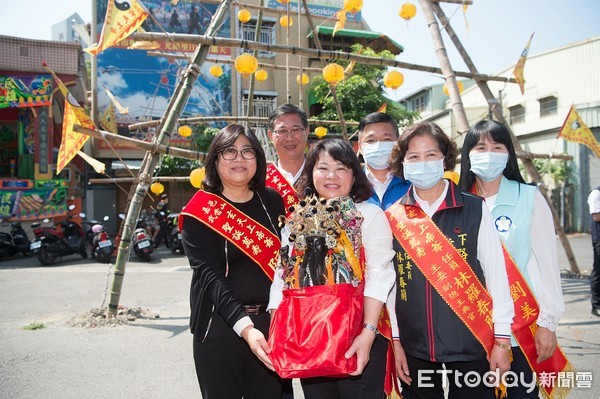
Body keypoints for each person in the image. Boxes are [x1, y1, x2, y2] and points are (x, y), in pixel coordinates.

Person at [387, 121, 514, 398]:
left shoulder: (474, 208)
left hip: (471, 340)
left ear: (444, 158)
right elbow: (392, 287)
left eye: (431, 155)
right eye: (414, 157)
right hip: (414, 346)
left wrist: (502, 341)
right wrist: (396, 340)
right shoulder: (393, 216)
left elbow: (496, 275)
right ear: (402, 163)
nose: (423, 163)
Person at [268, 139, 396, 399]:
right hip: (311, 335)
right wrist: (276, 331)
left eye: (341, 168)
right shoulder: (297, 219)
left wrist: (368, 333)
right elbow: (282, 277)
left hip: (357, 334)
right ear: (311, 172)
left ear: (354, 174)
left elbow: (378, 275)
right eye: (323, 168)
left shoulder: (369, 215)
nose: (331, 177)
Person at [459, 119, 569, 397]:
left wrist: (548, 324)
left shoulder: (529, 197)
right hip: (473, 331)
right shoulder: (458, 203)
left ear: (508, 154)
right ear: (468, 154)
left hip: (521, 329)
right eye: (481, 147)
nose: (489, 153)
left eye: (497, 146)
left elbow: (547, 266)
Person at [180, 124, 285, 399]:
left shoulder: (272, 201)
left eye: (247, 151)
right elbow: (210, 276)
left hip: (270, 322)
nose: (239, 159)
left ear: (258, 159)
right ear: (215, 160)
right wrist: (246, 328)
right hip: (219, 328)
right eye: (229, 151)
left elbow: (288, 262)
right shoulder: (199, 210)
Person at [358, 112, 411, 210]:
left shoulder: (413, 183)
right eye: (370, 141)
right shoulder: (351, 184)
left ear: (397, 143)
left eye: (386, 139)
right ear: (360, 147)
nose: (378, 145)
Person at [589, 186, 600, 317]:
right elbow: (596, 216)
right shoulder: (596, 194)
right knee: (598, 271)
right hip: (599, 239)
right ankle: (596, 305)